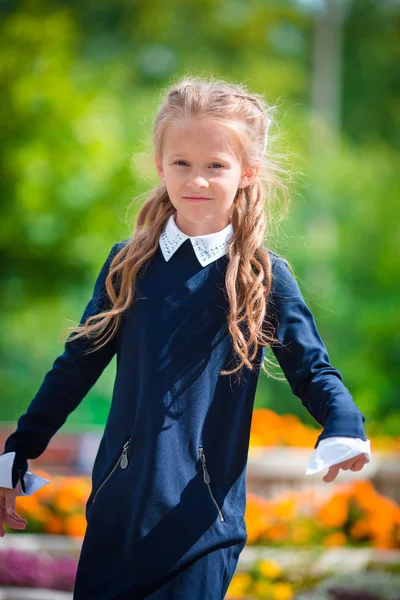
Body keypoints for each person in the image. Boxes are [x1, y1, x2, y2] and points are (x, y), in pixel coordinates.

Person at [0, 76, 371, 599]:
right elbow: (76, 364)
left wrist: (343, 423)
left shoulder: (263, 275)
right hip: (115, 515)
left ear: (247, 173)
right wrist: (17, 452)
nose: (197, 179)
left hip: (203, 527)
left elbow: (312, 369)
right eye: (181, 163)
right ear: (160, 165)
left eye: (215, 165)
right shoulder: (126, 265)